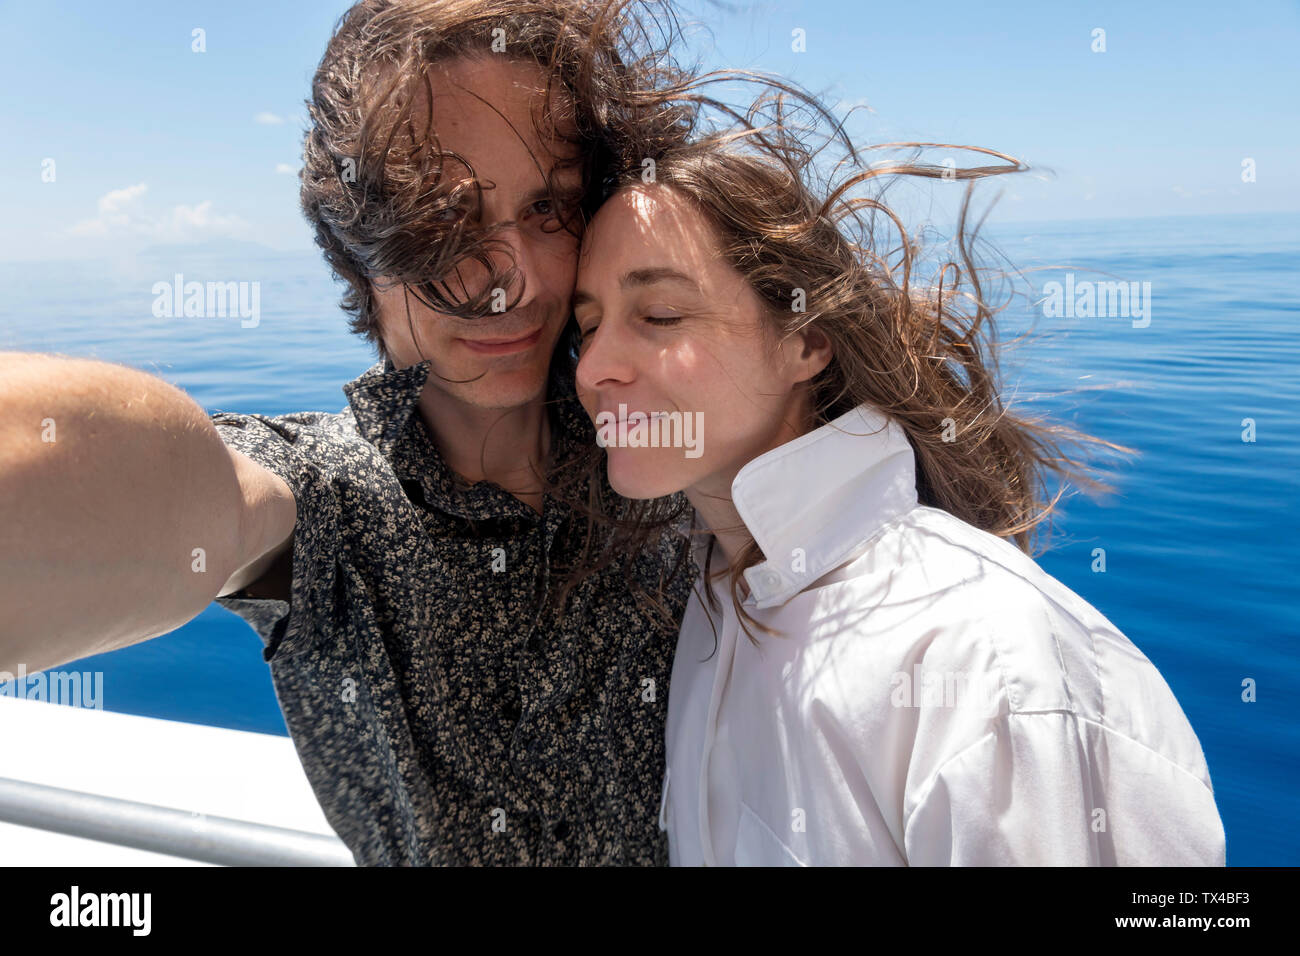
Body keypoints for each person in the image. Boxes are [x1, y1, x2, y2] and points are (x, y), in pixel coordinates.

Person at [0, 0, 707, 865]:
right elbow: (195, 495)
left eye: (550, 207)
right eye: (444, 216)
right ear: (355, 249)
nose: (509, 279)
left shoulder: (666, 440)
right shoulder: (334, 505)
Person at [569, 125, 1229, 865]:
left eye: (659, 316)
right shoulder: (716, 602)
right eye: (586, 325)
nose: (594, 367)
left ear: (805, 341)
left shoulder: (986, 660)